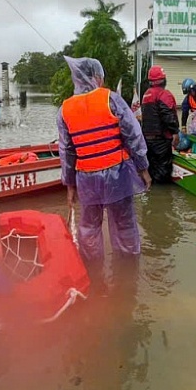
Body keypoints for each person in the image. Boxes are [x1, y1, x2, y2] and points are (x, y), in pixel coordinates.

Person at [57, 56, 151, 261]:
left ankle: (93, 271)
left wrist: (70, 185)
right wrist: (143, 168)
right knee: (124, 224)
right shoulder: (111, 99)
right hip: (117, 173)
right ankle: (128, 270)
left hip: (87, 178)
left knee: (89, 226)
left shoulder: (64, 109)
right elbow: (133, 134)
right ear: (97, 78)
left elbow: (66, 152)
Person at [139, 65, 179, 184]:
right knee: (163, 175)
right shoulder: (164, 94)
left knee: (151, 171)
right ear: (163, 80)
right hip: (161, 141)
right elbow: (168, 116)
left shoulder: (146, 95)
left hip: (147, 141)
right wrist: (175, 132)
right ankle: (162, 200)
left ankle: (151, 198)